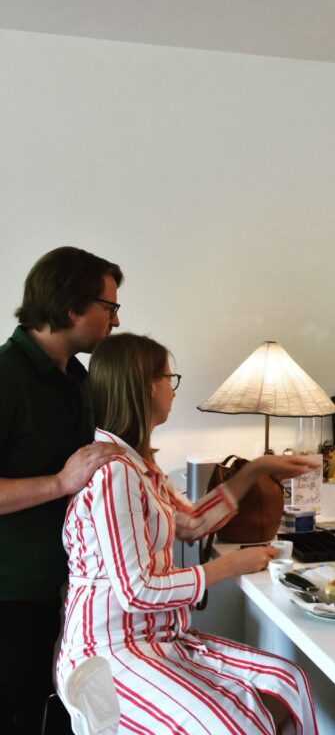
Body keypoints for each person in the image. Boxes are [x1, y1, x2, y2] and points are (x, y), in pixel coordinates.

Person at [56, 333, 318, 734]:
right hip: (109, 653)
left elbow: (193, 523)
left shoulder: (140, 466)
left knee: (289, 684)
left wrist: (256, 469)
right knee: (236, 724)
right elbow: (137, 591)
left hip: (159, 638)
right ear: (148, 386)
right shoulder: (114, 473)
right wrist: (229, 566)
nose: (174, 390)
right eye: (169, 378)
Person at [0, 246, 125, 735]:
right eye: (109, 307)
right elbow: (67, 477)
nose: (116, 320)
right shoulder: (7, 377)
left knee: (50, 709)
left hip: (64, 588)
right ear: (72, 308)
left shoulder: (75, 377)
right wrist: (60, 483)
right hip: (11, 596)